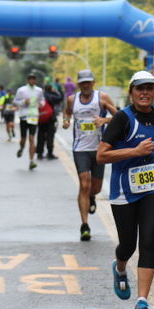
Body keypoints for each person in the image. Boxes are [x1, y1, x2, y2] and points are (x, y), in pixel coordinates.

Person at [97, 70, 154, 309]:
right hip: (124, 191)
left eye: (149, 89)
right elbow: (101, 155)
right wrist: (133, 151)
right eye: (139, 89)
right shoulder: (122, 119)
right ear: (131, 92)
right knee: (128, 245)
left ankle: (142, 301)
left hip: (153, 187)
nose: (144, 93)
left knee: (148, 241)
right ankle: (120, 266)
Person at [62, 69, 117, 241]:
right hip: (80, 149)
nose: (86, 85)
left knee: (96, 188)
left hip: (99, 149)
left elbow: (120, 117)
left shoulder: (102, 98)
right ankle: (84, 225)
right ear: (79, 84)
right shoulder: (72, 100)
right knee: (84, 185)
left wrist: (104, 120)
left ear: (93, 83)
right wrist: (66, 121)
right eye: (83, 83)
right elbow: (67, 112)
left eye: (88, 82)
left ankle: (92, 197)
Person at [15, 74, 45, 170]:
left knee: (32, 138)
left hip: (34, 116)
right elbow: (15, 101)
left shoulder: (39, 90)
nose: (32, 81)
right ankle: (21, 147)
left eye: (34, 79)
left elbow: (42, 100)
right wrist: (24, 102)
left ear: (35, 80)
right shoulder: (21, 90)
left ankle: (32, 161)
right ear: (27, 80)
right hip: (24, 116)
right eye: (30, 79)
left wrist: (41, 104)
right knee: (23, 138)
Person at [36, 84, 63, 160]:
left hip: (40, 117)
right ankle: (50, 153)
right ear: (51, 89)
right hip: (50, 118)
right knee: (50, 136)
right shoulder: (51, 96)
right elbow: (60, 98)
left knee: (40, 135)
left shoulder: (40, 96)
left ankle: (39, 153)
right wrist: (55, 92)